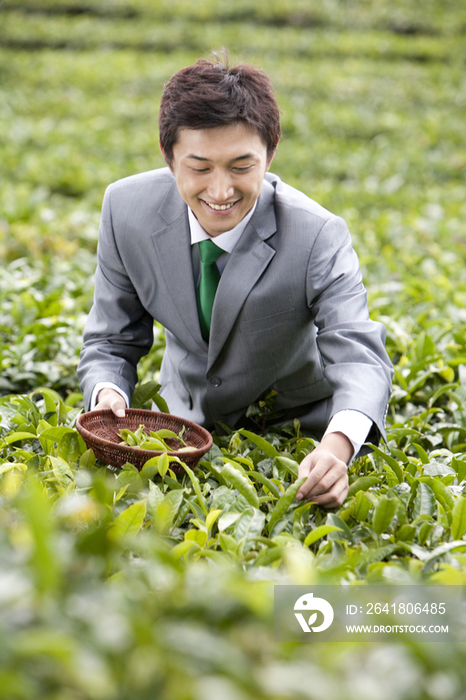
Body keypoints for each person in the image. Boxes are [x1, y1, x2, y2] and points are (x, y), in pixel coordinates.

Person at [78, 54, 393, 509]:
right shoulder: (126, 210)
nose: (221, 191)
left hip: (296, 430)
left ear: (272, 150)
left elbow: (361, 356)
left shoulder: (316, 233)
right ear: (168, 156)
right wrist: (108, 392)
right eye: (200, 168)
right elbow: (110, 341)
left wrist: (337, 447)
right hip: (180, 430)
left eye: (242, 167)